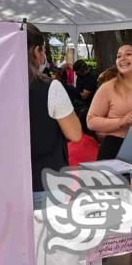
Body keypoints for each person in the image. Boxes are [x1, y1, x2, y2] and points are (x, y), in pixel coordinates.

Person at [26, 23, 82, 193]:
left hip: (5, 180)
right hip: (45, 180)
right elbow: (75, 133)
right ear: (36, 51)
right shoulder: (50, 87)